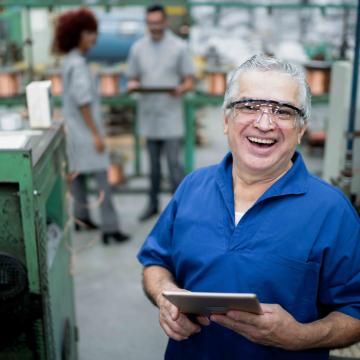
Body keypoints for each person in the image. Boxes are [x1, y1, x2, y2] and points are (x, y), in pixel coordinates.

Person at [137, 55, 360, 359]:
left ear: (301, 129)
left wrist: (300, 337)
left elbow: (355, 310)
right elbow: (155, 262)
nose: (265, 123)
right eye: (250, 106)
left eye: (283, 111)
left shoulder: (331, 211)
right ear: (226, 120)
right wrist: (165, 298)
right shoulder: (193, 188)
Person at [53, 8, 129, 245]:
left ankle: (81, 219)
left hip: (75, 132)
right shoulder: (78, 65)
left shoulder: (71, 62)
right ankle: (110, 229)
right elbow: (83, 100)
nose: (93, 37)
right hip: (86, 134)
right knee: (103, 182)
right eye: (89, 32)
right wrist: (96, 134)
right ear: (77, 34)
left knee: (78, 178)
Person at [127, 4, 195, 221]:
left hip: (170, 115)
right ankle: (153, 204)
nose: (154, 27)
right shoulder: (138, 48)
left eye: (158, 23)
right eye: (150, 23)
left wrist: (181, 89)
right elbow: (132, 77)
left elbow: (189, 81)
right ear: (147, 24)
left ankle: (180, 209)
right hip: (149, 114)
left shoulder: (179, 47)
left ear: (165, 22)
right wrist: (133, 83)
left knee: (175, 166)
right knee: (153, 166)